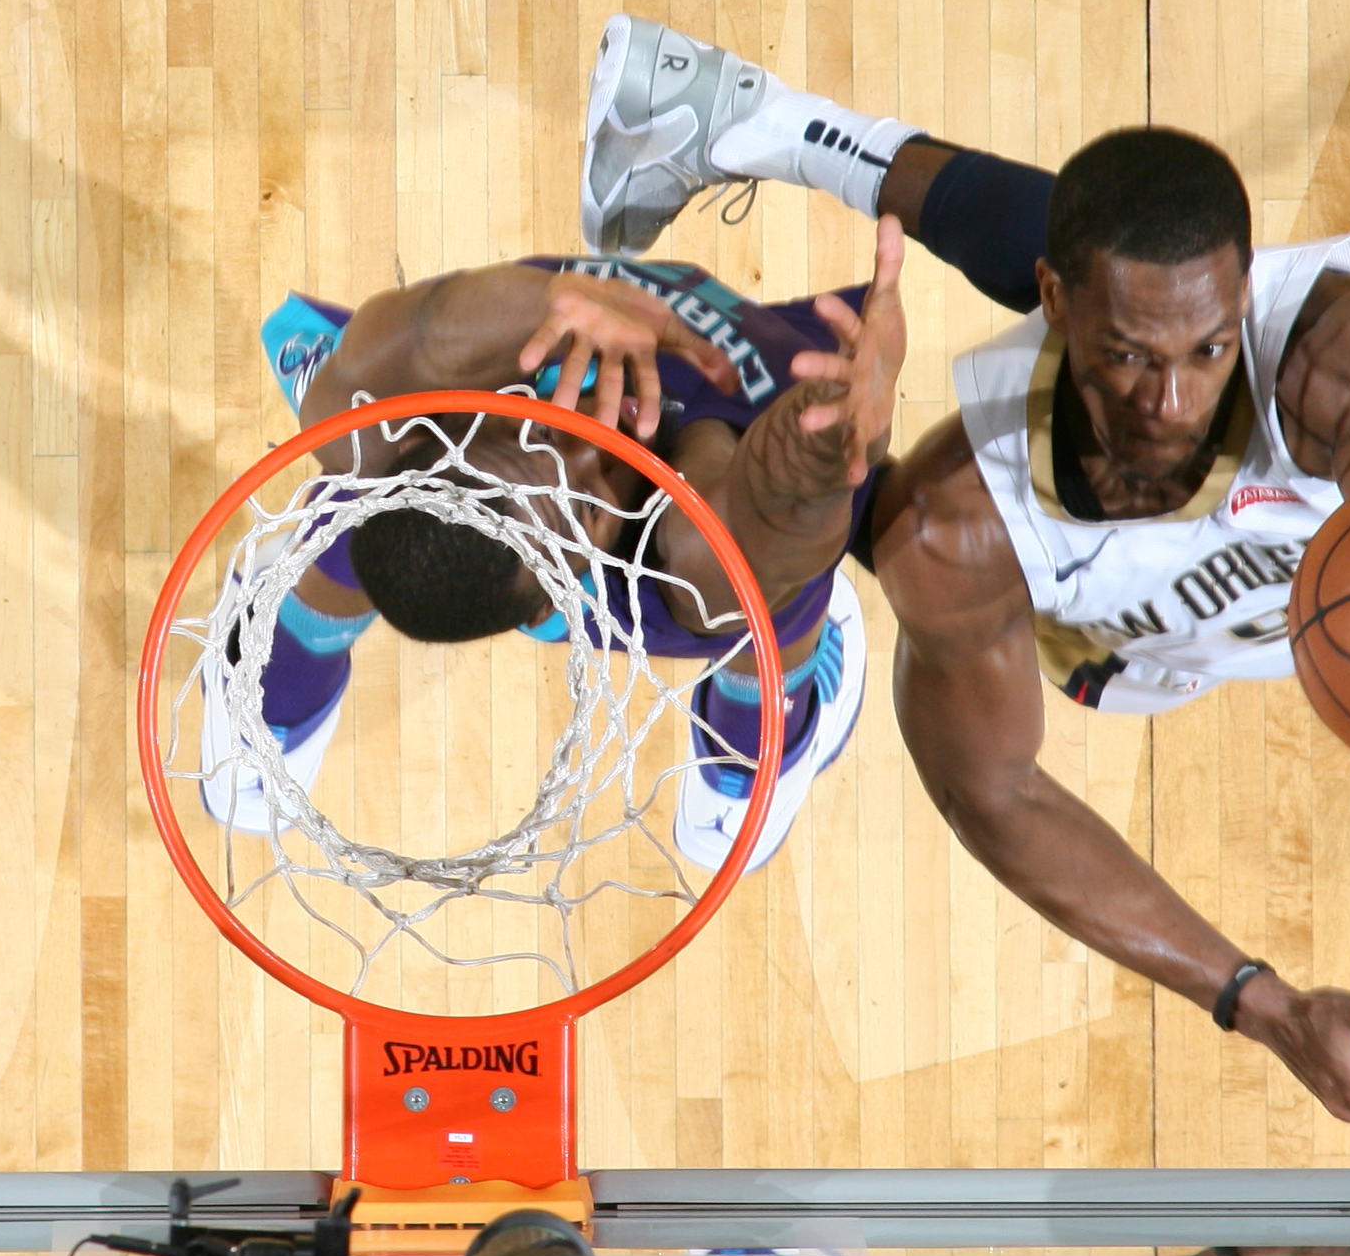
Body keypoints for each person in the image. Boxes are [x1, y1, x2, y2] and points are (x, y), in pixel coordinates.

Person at [583, 15, 1350, 1166]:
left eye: (1209, 350)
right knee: (840, 525)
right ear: (1055, 309)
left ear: (1246, 302)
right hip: (1099, 620)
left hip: (1236, 599)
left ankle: (746, 118)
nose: (1171, 400)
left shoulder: (1349, 364)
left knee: (1124, 249)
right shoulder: (959, 526)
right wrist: (1261, 1003)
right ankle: (771, 525)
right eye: (1130, 358)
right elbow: (995, 788)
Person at [204, 215, 908, 872]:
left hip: (541, 396)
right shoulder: (687, 562)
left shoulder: (447, 390)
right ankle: (746, 753)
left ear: (479, 422)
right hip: (712, 499)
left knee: (376, 465)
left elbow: (421, 330)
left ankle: (279, 652)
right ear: (559, 596)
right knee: (757, 598)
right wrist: (843, 428)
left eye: (543, 435)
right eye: (589, 499)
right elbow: (781, 509)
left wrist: (550, 300)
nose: (596, 445)